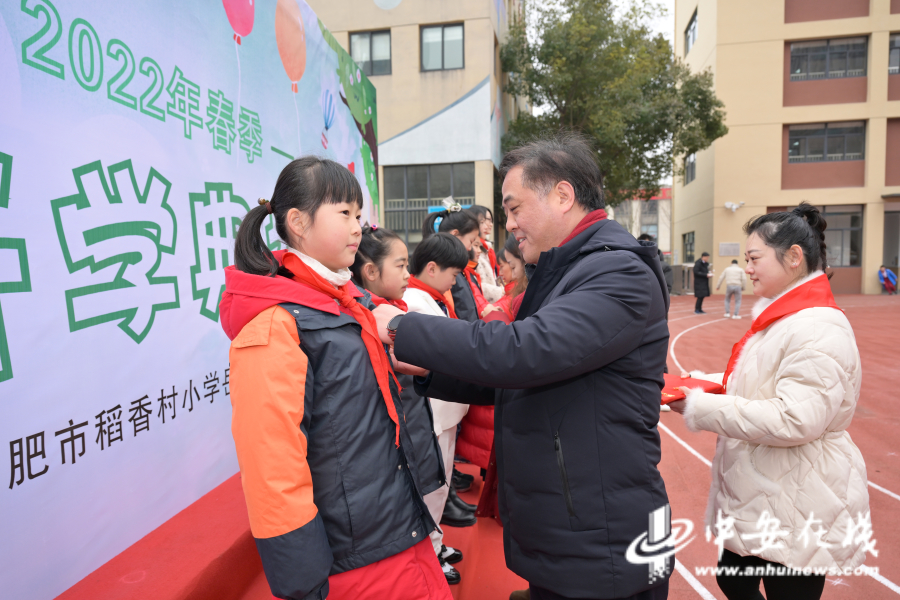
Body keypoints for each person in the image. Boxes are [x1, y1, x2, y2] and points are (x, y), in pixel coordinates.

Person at [384, 133, 672, 600]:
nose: (509, 226)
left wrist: (403, 327)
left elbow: (524, 351)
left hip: (606, 538)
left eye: (515, 209)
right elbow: (526, 375)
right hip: (580, 527)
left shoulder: (619, 272)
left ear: (562, 195)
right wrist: (429, 371)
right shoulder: (570, 269)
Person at [220, 157, 449, 600]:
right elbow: (272, 464)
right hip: (354, 557)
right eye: (344, 213)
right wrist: (303, 582)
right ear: (297, 222)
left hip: (395, 528)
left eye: (359, 215)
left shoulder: (345, 303)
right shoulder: (276, 323)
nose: (357, 227)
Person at [669, 203, 871, 600]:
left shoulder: (817, 328)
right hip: (769, 490)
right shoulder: (787, 318)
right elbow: (758, 384)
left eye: (754, 258)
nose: (748, 268)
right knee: (733, 579)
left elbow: (795, 418)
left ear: (794, 257)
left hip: (799, 495)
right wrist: (696, 385)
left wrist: (701, 406)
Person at [349, 225, 448, 506]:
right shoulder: (374, 320)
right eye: (400, 266)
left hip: (418, 427)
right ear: (370, 271)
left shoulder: (395, 309)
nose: (408, 274)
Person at [403, 233, 473, 584]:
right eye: (453, 273)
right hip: (433, 413)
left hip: (446, 411)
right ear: (432, 268)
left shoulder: (431, 296)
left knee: (441, 485)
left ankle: (436, 542)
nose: (455, 280)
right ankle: (430, 552)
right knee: (433, 487)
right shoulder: (414, 301)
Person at [422, 203, 499, 321]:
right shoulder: (445, 270)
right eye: (471, 241)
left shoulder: (457, 269)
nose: (470, 248)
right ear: (455, 235)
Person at [468, 205, 505, 302]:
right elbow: (474, 283)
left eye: (490, 220)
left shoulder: (488, 249)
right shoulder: (470, 249)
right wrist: (500, 291)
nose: (490, 224)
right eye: (483, 221)